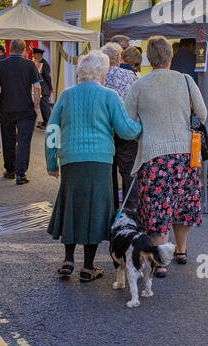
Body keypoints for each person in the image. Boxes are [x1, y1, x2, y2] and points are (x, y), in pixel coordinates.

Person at [45, 51, 142, 282]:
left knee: (72, 207)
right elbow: (125, 129)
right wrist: (143, 128)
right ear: (101, 72)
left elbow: (52, 130)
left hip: (70, 159)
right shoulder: (109, 96)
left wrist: (51, 161)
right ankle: (88, 267)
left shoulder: (66, 95)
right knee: (95, 212)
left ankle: (68, 260)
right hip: (99, 161)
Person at [123, 35, 208, 275]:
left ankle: (160, 261)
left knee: (157, 207)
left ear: (149, 58)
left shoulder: (139, 85)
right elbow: (201, 114)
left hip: (154, 157)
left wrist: (143, 135)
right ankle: (181, 250)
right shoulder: (186, 81)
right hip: (185, 156)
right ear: (170, 56)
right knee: (183, 204)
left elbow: (128, 123)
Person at [0, 39, 42, 184]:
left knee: (8, 140)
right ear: (23, 51)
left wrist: (0, 103)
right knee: (23, 141)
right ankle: (21, 174)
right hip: (25, 108)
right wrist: (36, 105)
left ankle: (10, 170)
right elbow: (37, 87)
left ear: (10, 49)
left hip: (7, 108)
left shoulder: (1, 65)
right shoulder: (30, 65)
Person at [101, 43, 138, 209]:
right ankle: (130, 211)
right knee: (128, 169)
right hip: (126, 127)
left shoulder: (98, 76)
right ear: (119, 58)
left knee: (108, 170)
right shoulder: (130, 76)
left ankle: (110, 208)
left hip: (104, 129)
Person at [33, 48, 54, 128]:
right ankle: (45, 122)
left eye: (35, 54)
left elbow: (47, 77)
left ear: (39, 55)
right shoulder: (38, 63)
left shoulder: (44, 64)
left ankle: (48, 122)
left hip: (44, 88)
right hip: (41, 87)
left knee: (45, 105)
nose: (34, 56)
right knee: (42, 105)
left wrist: (50, 88)